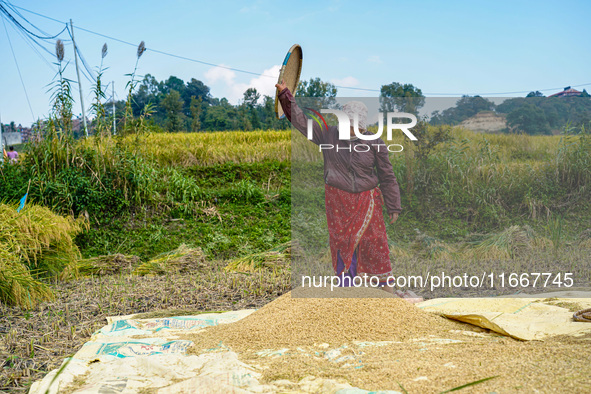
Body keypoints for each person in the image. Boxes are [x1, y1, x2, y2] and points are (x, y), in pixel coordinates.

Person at [276, 80, 422, 303]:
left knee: (375, 244)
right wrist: (286, 95)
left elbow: (387, 176)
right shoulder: (328, 135)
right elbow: (300, 121)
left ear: (362, 124)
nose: (350, 128)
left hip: (368, 201)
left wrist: (394, 206)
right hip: (338, 201)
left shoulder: (375, 142)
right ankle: (347, 297)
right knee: (343, 245)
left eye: (354, 124)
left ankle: (388, 299)